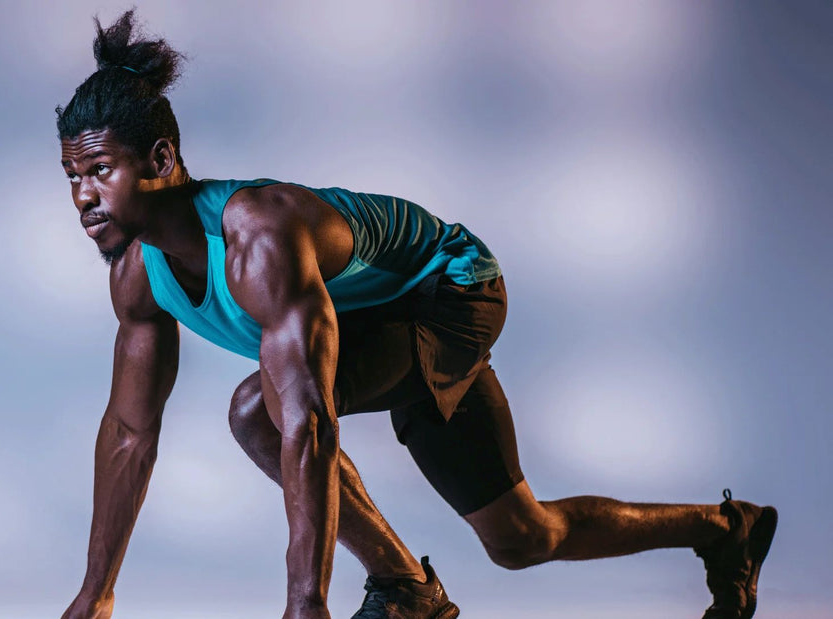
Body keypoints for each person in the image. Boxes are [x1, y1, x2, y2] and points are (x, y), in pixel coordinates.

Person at [55, 11, 777, 619]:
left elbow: (306, 417)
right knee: (522, 536)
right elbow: (128, 434)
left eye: (100, 171)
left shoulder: (256, 233)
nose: (84, 196)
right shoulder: (137, 278)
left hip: (453, 293)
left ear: (160, 158)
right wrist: (96, 593)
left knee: (257, 409)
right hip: (380, 324)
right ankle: (723, 528)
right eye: (72, 177)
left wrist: (305, 603)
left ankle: (404, 589)